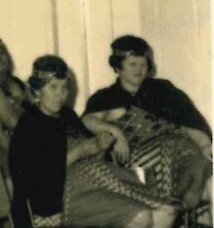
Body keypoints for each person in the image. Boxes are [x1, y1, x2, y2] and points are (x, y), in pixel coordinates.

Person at [9, 55, 178, 228]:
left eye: (64, 87)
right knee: (142, 218)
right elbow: (34, 179)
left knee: (167, 213)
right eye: (52, 88)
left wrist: (100, 144)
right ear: (36, 91)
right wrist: (79, 152)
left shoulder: (66, 115)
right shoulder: (29, 124)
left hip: (89, 185)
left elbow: (91, 152)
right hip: (55, 201)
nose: (60, 95)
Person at [82, 35, 211, 211]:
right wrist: (115, 132)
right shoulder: (105, 97)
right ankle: (172, 205)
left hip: (183, 155)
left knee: (209, 174)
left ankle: (181, 203)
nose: (139, 69)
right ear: (117, 67)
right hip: (141, 170)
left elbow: (190, 122)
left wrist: (204, 145)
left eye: (143, 64)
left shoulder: (163, 89)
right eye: (132, 64)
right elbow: (88, 120)